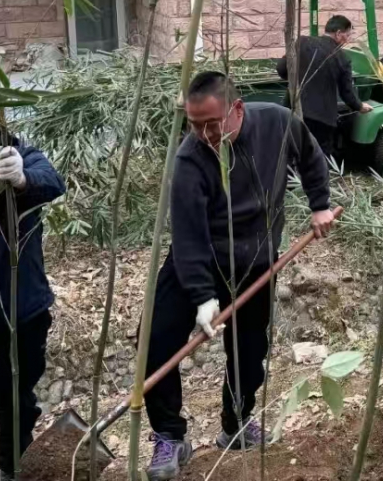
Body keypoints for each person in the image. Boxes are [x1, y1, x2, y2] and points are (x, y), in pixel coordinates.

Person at [143, 72, 336, 480]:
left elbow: (310, 155)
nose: (204, 134)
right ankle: (169, 436)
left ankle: (236, 422)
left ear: (238, 109)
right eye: (194, 125)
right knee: (156, 341)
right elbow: (189, 236)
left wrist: (319, 203)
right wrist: (202, 296)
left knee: (248, 350)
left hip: (256, 260)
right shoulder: (190, 159)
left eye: (212, 124)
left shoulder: (277, 122)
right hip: (200, 260)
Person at [0, 119, 66, 481]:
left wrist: (23, 180)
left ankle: (12, 468)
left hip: (22, 311)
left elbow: (53, 182)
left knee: (18, 402)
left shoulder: (20, 161)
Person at [275, 14, 373, 160]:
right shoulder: (342, 58)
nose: (348, 40)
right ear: (338, 33)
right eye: (347, 35)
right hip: (322, 120)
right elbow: (347, 93)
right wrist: (360, 106)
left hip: (293, 110)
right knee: (318, 159)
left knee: (291, 154)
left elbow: (281, 69)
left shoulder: (302, 42)